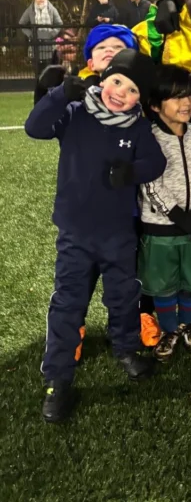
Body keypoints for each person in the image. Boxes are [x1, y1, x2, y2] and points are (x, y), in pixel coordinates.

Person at [25, 49, 166, 423]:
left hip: (118, 232)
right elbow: (34, 128)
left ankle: (126, 349)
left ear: (141, 100)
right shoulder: (76, 113)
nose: (120, 92)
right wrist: (59, 94)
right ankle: (58, 378)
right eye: (117, 81)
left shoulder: (137, 127)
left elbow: (156, 163)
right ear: (103, 78)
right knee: (68, 304)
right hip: (75, 232)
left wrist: (131, 172)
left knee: (123, 297)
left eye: (132, 89)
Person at [138, 65, 191, 361]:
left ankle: (187, 325)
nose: (186, 103)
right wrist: (177, 216)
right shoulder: (148, 138)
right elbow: (149, 184)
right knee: (163, 286)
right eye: (175, 97)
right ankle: (169, 329)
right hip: (161, 228)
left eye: (189, 95)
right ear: (156, 106)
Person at [19, 0, 63, 74]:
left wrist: (52, 33)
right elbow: (21, 24)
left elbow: (59, 23)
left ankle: (49, 87)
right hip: (36, 44)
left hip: (49, 44)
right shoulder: (30, 10)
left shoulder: (51, 8)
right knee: (38, 72)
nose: (41, 0)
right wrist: (31, 34)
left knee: (49, 71)